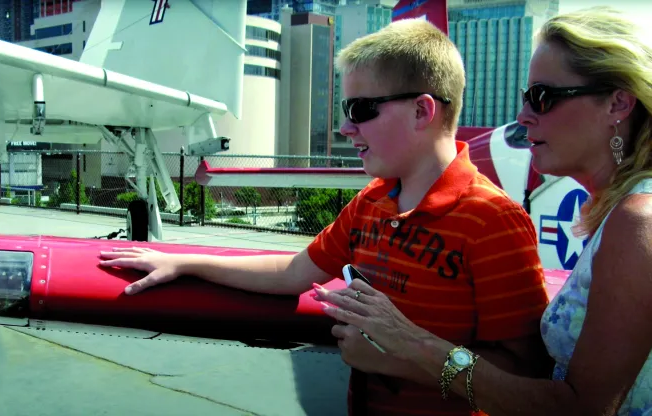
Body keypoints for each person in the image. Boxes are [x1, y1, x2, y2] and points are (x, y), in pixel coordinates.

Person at [99, 18, 551, 416]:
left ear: (422, 110)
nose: (345, 128)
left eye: (360, 109)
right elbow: (294, 272)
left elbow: (523, 373)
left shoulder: (493, 222)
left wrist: (396, 358)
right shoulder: (371, 202)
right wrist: (185, 262)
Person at [314, 6, 652, 416]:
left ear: (618, 103)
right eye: (527, 97)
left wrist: (411, 345)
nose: (523, 116)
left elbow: (581, 409)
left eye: (543, 98)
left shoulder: (638, 221)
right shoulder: (620, 212)